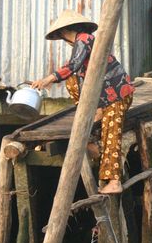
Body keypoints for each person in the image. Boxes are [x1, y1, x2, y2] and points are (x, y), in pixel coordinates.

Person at [31, 10, 135, 195]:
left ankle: (114, 181)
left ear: (64, 32)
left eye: (61, 35)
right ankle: (97, 111)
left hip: (117, 94)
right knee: (72, 80)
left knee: (111, 133)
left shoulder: (85, 39)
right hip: (104, 96)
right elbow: (75, 72)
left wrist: (48, 79)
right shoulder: (83, 41)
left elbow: (73, 65)